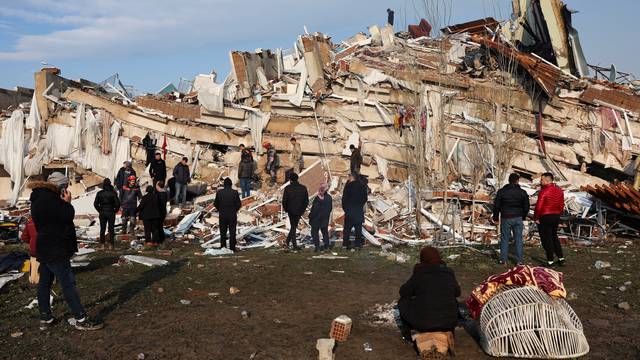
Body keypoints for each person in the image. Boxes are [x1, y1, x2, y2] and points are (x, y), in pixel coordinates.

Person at [29, 172, 102, 331]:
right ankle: (81, 318)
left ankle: (45, 318)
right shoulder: (52, 200)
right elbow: (66, 216)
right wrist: (67, 203)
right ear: (60, 186)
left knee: (44, 283)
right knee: (67, 283)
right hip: (55, 247)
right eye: (65, 186)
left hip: (44, 245)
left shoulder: (37, 198)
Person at [398, 247, 460, 342]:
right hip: (449, 323)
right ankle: (449, 331)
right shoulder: (449, 272)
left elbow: (404, 292)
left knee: (403, 301)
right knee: (453, 300)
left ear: (423, 258)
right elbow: (457, 293)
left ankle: (407, 334)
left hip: (424, 324)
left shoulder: (420, 272)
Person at [493, 173, 530, 265]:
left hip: (506, 217)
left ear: (509, 180)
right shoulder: (522, 192)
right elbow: (526, 206)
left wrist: (496, 217)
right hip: (518, 217)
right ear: (517, 181)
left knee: (504, 239)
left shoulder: (501, 191)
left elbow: (496, 205)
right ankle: (519, 261)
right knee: (518, 239)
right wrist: (524, 216)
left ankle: (503, 260)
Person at [534, 172, 565, 267]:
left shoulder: (543, 191)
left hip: (545, 216)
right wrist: (558, 214)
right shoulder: (559, 190)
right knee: (554, 236)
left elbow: (538, 206)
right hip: (555, 215)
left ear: (548, 180)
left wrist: (536, 217)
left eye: (542, 180)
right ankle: (561, 258)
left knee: (546, 239)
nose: (540, 181)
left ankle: (550, 261)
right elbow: (561, 204)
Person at [282, 173, 309, 250]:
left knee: (293, 227)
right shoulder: (303, 188)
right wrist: (303, 210)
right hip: (299, 210)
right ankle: (291, 244)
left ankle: (292, 245)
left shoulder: (287, 188)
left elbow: (284, 201)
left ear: (290, 179)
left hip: (291, 211)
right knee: (293, 227)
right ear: (297, 179)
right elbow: (306, 201)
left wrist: (286, 209)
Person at [214, 178, 241, 251]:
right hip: (232, 214)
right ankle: (232, 248)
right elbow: (239, 204)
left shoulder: (219, 192)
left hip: (222, 214)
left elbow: (215, 204)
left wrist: (220, 209)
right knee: (232, 232)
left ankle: (223, 247)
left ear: (224, 185)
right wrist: (235, 210)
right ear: (231, 184)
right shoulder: (235, 192)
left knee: (223, 232)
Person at [342, 173, 368, 250]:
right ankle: (357, 245)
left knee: (347, 229)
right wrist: (360, 205)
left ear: (352, 177)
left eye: (349, 176)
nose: (348, 178)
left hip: (349, 211)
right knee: (358, 230)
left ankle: (345, 244)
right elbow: (365, 198)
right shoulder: (362, 186)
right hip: (358, 211)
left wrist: (345, 209)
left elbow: (344, 199)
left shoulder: (348, 186)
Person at [93, 179, 120, 250]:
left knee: (102, 229)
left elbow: (95, 204)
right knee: (111, 229)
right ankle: (111, 245)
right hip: (111, 212)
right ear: (110, 184)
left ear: (103, 184)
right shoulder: (113, 193)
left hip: (102, 212)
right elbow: (117, 204)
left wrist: (100, 210)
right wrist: (115, 211)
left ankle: (102, 245)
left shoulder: (99, 193)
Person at [308, 182, 332, 251]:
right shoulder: (329, 197)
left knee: (314, 232)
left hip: (317, 219)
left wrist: (310, 216)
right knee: (325, 233)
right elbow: (330, 208)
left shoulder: (318, 198)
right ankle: (326, 246)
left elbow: (314, 209)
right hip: (325, 218)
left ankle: (317, 247)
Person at [20, 214, 39, 284]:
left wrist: (32, 241)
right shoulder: (50, 220)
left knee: (34, 265)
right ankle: (51, 281)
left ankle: (33, 280)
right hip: (48, 250)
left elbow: (24, 237)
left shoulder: (30, 223)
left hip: (34, 250)